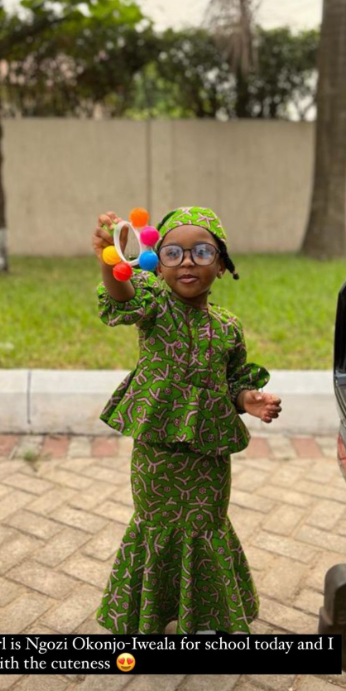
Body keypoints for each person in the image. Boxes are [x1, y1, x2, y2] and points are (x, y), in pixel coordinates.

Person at [91, 206, 282, 635]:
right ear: (157, 264)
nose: (188, 262)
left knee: (206, 524)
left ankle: (205, 616)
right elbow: (122, 297)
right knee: (156, 524)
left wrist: (247, 400)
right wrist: (111, 260)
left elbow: (231, 379)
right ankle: (154, 615)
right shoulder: (156, 305)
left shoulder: (228, 327)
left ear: (221, 264)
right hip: (157, 451)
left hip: (208, 454)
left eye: (201, 251)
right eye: (173, 253)